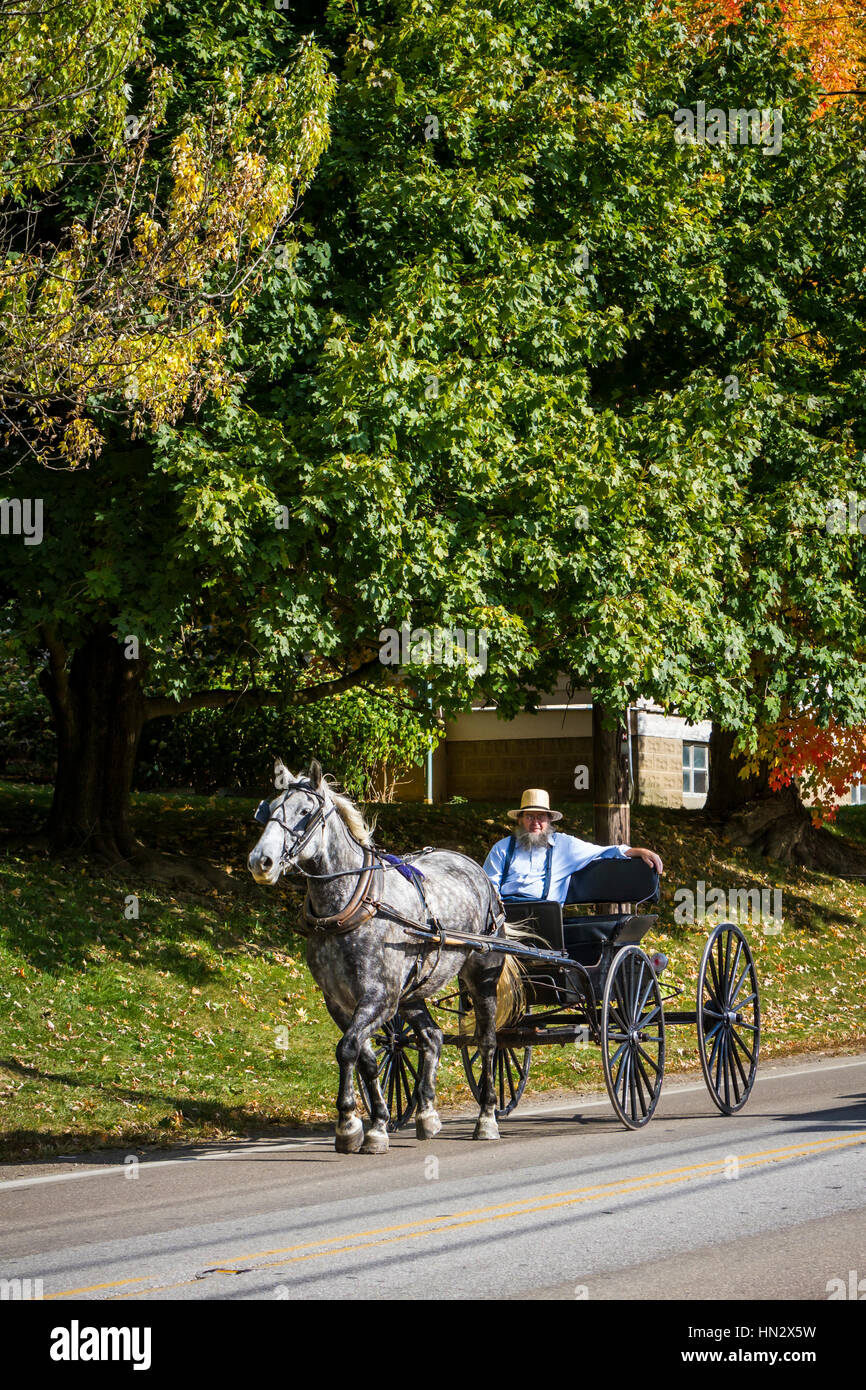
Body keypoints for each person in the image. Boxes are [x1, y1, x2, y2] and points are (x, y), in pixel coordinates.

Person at [483, 788, 663, 904]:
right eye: (529, 816)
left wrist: (639, 851)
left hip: (543, 917)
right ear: (520, 820)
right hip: (506, 916)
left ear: (549, 820)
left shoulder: (564, 846)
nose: (535, 822)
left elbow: (603, 851)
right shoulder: (502, 848)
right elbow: (489, 887)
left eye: (541, 817)